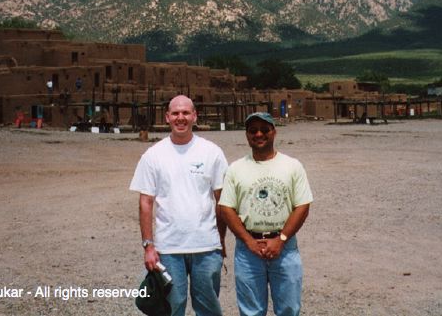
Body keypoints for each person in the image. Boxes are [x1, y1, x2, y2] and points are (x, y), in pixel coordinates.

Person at [129, 95, 229, 316]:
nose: (180, 118)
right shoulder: (153, 155)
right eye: (175, 113)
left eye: (185, 113)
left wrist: (220, 240)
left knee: (209, 308)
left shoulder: (212, 152)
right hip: (169, 248)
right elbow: (146, 202)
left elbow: (222, 201)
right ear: (167, 117)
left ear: (195, 116)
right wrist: (148, 246)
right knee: (173, 308)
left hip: (206, 247)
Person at [219, 112, 313, 316]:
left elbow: (302, 206)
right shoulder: (236, 169)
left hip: (285, 248)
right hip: (248, 250)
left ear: (274, 132)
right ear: (247, 135)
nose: (259, 134)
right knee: (251, 311)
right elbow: (227, 208)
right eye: (253, 130)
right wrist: (248, 241)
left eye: (264, 129)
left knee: (289, 308)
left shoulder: (292, 166)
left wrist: (281, 239)